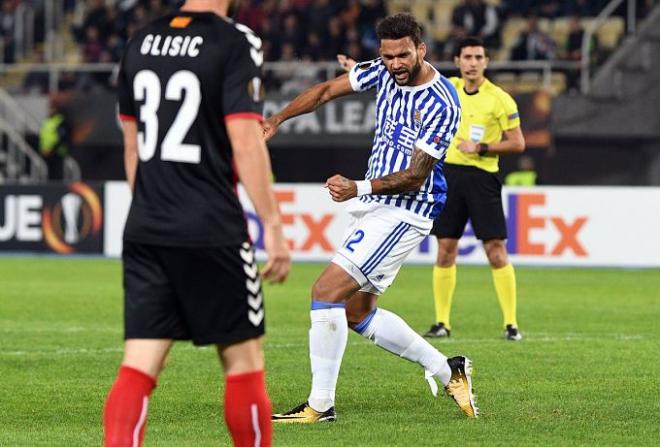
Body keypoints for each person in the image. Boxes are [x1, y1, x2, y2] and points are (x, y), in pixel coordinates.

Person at [265, 13, 478, 423]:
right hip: (377, 206)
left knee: (325, 291)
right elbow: (327, 91)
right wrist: (277, 119)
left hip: (406, 208)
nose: (395, 64)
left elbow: (416, 175)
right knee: (356, 313)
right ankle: (447, 368)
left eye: (402, 55)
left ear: (421, 50)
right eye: (387, 55)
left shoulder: (442, 102)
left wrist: (358, 186)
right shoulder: (382, 71)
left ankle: (319, 406)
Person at [104, 1, 291, 446]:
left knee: (139, 365)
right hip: (212, 227)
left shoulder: (141, 40)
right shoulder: (234, 40)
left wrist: (154, 208)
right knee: (244, 363)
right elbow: (245, 141)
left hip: (147, 225)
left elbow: (131, 145)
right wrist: (274, 227)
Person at [423, 37, 526, 341]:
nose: (472, 62)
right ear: (457, 61)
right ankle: (442, 322)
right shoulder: (449, 87)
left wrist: (480, 147)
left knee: (495, 250)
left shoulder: (500, 98)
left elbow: (518, 143)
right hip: (449, 176)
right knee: (445, 249)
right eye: (466, 56)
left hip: (483, 178)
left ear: (486, 62)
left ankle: (511, 323)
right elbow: (414, 73)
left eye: (478, 57)